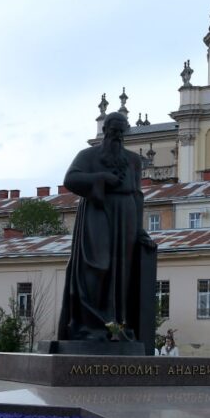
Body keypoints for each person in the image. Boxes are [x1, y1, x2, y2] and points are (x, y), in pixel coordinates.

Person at [57, 111, 157, 346]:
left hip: (127, 213)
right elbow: (70, 179)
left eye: (122, 132)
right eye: (114, 131)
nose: (118, 136)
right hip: (97, 210)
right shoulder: (88, 155)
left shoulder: (133, 160)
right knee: (96, 265)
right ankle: (88, 326)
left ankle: (117, 325)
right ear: (105, 130)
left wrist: (140, 229)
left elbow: (138, 194)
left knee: (122, 270)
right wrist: (100, 177)